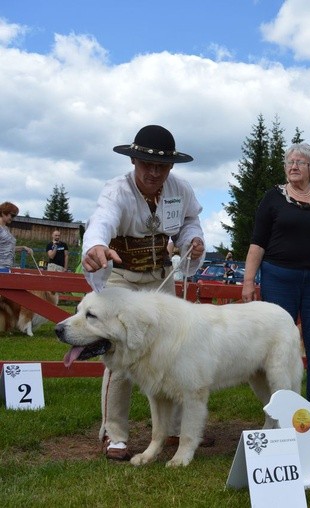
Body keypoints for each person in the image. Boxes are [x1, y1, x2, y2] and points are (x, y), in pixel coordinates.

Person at [81, 125, 206, 460]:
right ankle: (115, 434)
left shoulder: (180, 189)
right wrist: (95, 246)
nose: (154, 172)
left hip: (160, 280)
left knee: (175, 350)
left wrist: (192, 242)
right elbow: (102, 221)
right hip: (121, 280)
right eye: (146, 164)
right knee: (119, 355)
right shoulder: (116, 191)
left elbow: (190, 221)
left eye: (162, 166)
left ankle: (177, 429)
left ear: (171, 168)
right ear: (134, 160)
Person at [242, 142, 310, 405]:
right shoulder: (273, 197)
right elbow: (257, 242)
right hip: (279, 278)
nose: (293, 166)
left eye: (300, 162)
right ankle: (282, 411)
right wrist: (248, 280)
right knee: (279, 346)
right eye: (289, 162)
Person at [0, 202, 34, 272]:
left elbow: (7, 248)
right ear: (3, 213)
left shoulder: (6, 229)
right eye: (12, 215)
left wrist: (23, 248)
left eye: (14, 216)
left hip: (6, 267)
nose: (13, 218)